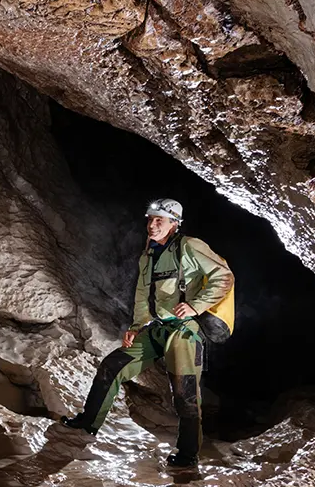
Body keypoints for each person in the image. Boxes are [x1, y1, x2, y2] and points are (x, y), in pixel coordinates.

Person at [62, 198, 234, 467]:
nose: (152, 225)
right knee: (112, 366)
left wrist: (195, 306)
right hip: (155, 329)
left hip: (184, 332)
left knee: (185, 394)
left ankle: (187, 456)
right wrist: (135, 326)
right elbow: (143, 296)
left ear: (174, 223)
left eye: (159, 220)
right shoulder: (149, 255)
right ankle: (87, 423)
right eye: (150, 219)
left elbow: (223, 276)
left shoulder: (189, 246)